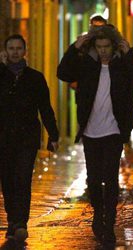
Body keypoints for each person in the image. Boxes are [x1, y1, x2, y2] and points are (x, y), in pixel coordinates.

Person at [57, 25, 133, 248]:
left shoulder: (121, 64)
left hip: (114, 131)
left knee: (111, 177)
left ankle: (109, 224)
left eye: (107, 46)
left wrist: (130, 53)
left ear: (113, 46)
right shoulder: (87, 64)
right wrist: (74, 47)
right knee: (95, 179)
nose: (103, 51)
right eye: (99, 47)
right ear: (94, 47)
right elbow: (63, 73)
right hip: (90, 131)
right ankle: (99, 214)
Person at [0, 34, 59, 242]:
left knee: (23, 178)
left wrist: (53, 134)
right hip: (4, 138)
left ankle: (20, 222)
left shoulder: (35, 78)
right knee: (7, 180)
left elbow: (45, 108)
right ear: (6, 51)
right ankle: (12, 219)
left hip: (27, 138)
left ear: (25, 51)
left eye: (18, 48)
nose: (15, 52)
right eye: (11, 48)